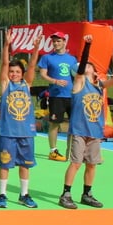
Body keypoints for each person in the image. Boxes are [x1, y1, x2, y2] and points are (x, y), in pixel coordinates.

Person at [59, 35, 113, 209]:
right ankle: (66, 194)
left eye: (88, 65)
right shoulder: (79, 83)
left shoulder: (99, 86)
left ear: (94, 71)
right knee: (76, 163)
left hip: (94, 131)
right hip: (79, 130)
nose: (85, 66)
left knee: (92, 164)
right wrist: (87, 45)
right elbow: (81, 68)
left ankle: (87, 194)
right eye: (83, 65)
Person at [0, 33, 42, 208]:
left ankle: (24, 194)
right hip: (7, 132)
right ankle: (2, 194)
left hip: (26, 132)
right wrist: (7, 45)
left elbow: (32, 65)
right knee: (5, 164)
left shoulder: (26, 85)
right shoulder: (6, 85)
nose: (14, 74)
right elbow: (4, 64)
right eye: (11, 71)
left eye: (17, 72)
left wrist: (36, 49)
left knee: (25, 165)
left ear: (22, 74)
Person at [37, 31, 78, 161]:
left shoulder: (72, 59)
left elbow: (76, 76)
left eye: (58, 41)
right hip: (56, 96)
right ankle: (53, 151)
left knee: (75, 124)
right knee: (54, 123)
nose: (56, 43)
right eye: (54, 41)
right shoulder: (47, 58)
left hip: (71, 96)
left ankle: (74, 151)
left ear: (64, 42)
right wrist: (55, 81)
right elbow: (43, 74)